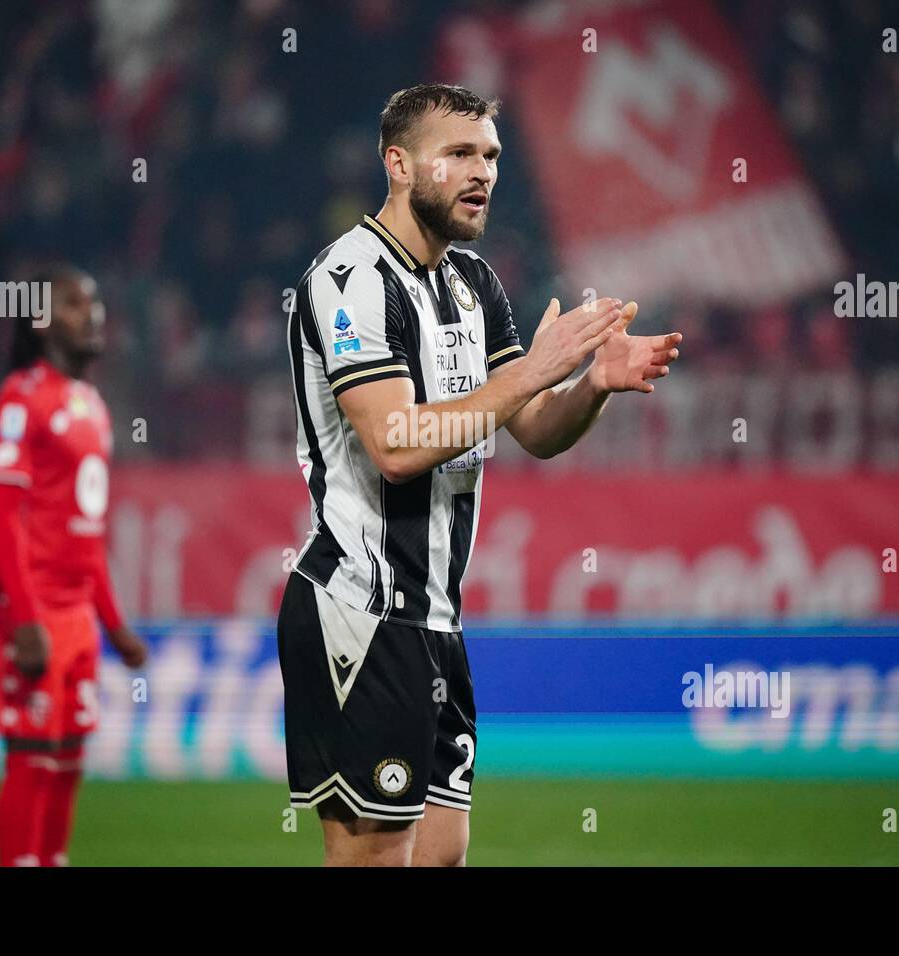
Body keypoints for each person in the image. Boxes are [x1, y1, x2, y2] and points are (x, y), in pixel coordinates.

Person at [279, 84, 683, 866]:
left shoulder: (472, 282)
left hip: (436, 620)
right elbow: (395, 444)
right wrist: (533, 371)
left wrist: (589, 385)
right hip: (362, 613)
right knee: (375, 857)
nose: (483, 173)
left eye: (492, 156)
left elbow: (531, 428)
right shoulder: (350, 280)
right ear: (399, 164)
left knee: (440, 857)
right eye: (460, 154)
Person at [0, 267, 146, 867]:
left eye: (95, 302)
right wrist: (24, 619)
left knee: (68, 759)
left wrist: (113, 624)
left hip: (76, 617)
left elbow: (86, 532)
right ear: (42, 321)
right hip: (32, 608)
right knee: (32, 756)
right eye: (75, 304)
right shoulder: (20, 399)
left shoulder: (92, 405)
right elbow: (1, 518)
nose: (91, 312)